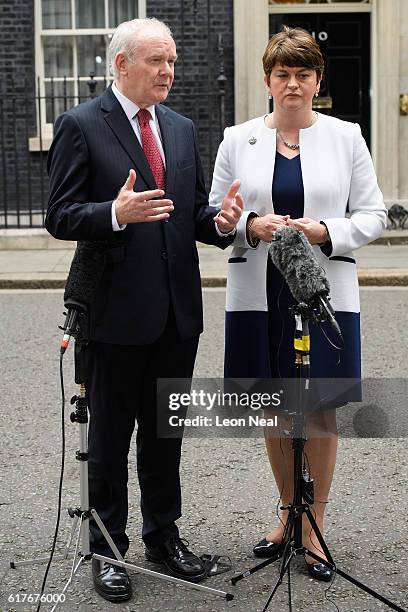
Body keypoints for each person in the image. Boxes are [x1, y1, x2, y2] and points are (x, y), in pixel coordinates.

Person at [45, 18, 243, 603]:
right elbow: (60, 215)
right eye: (156, 61)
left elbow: (192, 215)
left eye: (173, 62)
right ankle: (106, 549)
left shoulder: (180, 128)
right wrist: (113, 213)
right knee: (110, 438)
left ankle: (164, 536)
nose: (168, 72)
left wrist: (222, 224)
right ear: (121, 63)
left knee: (165, 434)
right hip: (114, 315)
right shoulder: (81, 125)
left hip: (178, 314)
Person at [209, 27, 387, 581]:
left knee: (319, 408)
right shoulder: (238, 139)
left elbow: (374, 215)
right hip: (259, 292)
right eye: (282, 74)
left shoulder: (346, 137)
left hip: (325, 290)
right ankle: (288, 513)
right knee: (273, 407)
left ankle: (315, 529)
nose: (292, 84)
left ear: (317, 81)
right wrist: (246, 225)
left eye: (303, 74)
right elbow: (217, 215)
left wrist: (325, 230)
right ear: (267, 80)